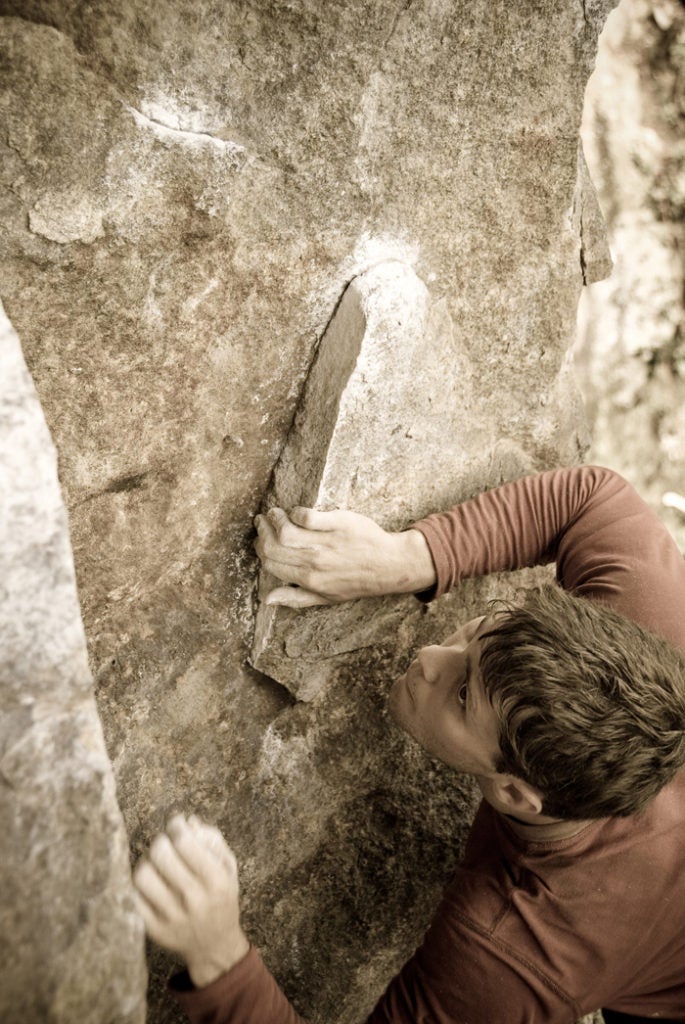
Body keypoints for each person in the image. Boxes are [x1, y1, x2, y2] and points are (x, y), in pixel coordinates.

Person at [134, 465, 685, 1024]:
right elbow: (588, 496)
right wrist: (405, 558)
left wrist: (219, 957)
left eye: (464, 694)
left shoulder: (519, 954)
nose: (428, 659)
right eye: (477, 633)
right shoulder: (652, 627)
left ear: (514, 794)